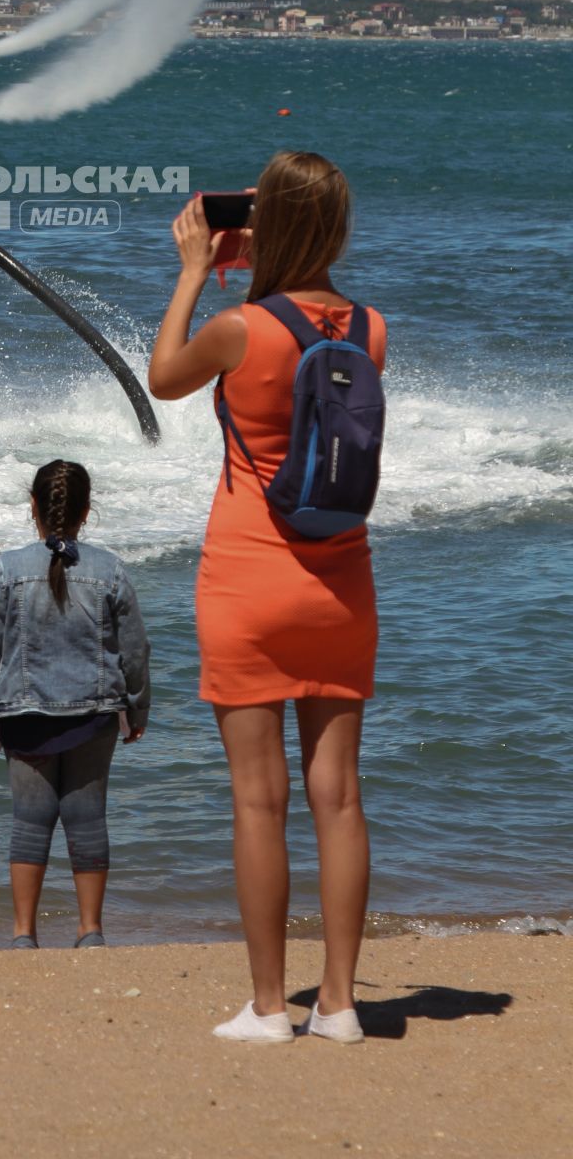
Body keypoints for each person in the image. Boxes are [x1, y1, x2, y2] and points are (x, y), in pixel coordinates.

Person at [148, 151, 385, 1045]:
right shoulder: (371, 328)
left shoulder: (239, 328)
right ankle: (341, 1005)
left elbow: (164, 375)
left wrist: (196, 271)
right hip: (343, 581)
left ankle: (266, 1008)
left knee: (259, 798)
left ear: (266, 226)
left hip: (250, 578)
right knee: (341, 796)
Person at [0, 459, 150, 948]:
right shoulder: (109, 571)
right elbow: (134, 651)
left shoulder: (7, 570)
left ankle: (24, 934)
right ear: (87, 512)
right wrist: (137, 709)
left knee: (29, 823)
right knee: (88, 820)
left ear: (33, 508)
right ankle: (90, 932)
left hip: (24, 716)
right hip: (95, 714)